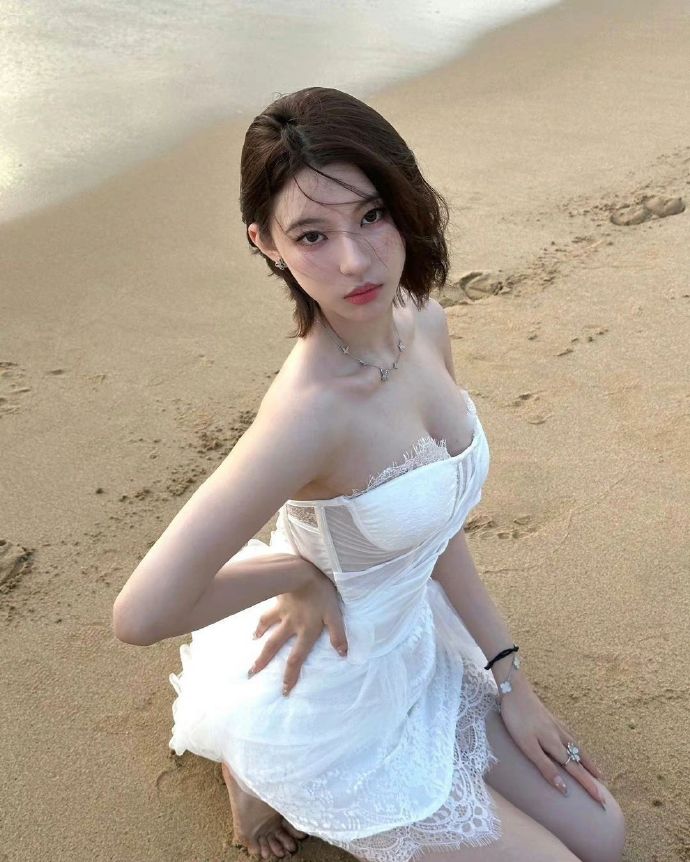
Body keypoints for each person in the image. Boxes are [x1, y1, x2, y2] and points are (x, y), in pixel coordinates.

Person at [113, 87, 626, 862]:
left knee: (606, 837)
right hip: (331, 707)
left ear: (403, 203)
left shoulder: (424, 321)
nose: (355, 261)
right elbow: (141, 613)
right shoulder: (307, 416)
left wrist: (512, 682)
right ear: (266, 244)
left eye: (372, 215)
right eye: (312, 235)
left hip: (413, 645)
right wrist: (301, 571)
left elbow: (437, 523)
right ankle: (252, 766)